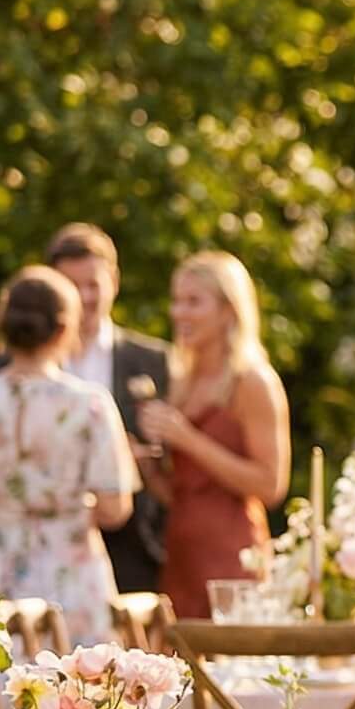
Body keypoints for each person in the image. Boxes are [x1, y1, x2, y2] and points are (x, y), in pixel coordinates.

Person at [0, 266, 140, 644]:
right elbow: (115, 508)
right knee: (79, 691)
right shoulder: (89, 405)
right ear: (64, 330)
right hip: (73, 571)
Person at [137, 251, 288, 619]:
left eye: (193, 302)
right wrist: (147, 469)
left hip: (233, 560)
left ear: (228, 311)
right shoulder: (181, 381)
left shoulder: (252, 381)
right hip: (180, 556)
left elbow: (271, 485)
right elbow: (185, 493)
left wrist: (188, 439)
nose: (179, 313)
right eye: (176, 301)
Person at [46, 224, 173, 594]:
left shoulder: (153, 360)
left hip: (134, 545)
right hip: (50, 543)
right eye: (71, 287)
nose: (83, 298)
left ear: (114, 281)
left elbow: (175, 459)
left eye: (93, 285)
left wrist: (142, 459)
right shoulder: (20, 365)